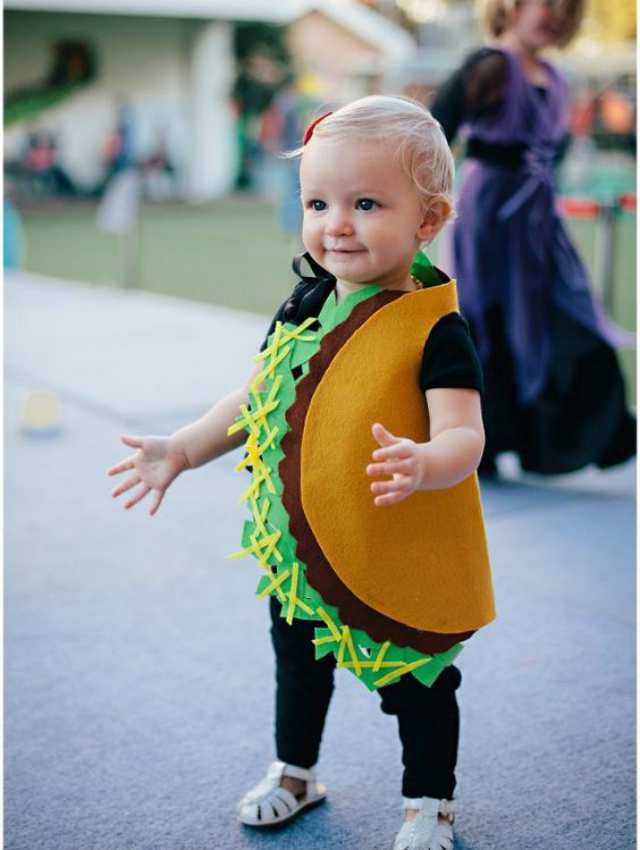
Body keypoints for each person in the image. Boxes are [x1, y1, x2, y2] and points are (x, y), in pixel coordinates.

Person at [109, 95, 494, 850]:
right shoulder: (307, 302)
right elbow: (260, 395)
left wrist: (426, 462)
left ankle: (428, 803)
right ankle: (296, 770)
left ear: (428, 219)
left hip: (391, 548)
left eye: (365, 203)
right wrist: (184, 448)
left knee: (416, 682)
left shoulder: (434, 329)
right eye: (317, 202)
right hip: (301, 551)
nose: (335, 224)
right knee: (299, 665)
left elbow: (465, 434)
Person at [431, 0, 636, 476]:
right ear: (514, 5)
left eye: (568, 8)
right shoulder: (489, 66)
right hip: (488, 217)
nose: (556, 15)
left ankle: (559, 441)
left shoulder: (559, 78)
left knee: (568, 313)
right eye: (548, 2)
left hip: (540, 221)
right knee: (488, 317)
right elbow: (433, 129)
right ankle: (479, 446)